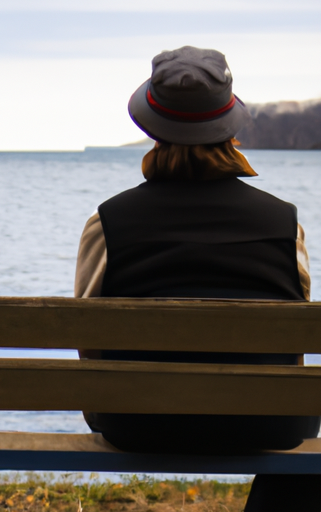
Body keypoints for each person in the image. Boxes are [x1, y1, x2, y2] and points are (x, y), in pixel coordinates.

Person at [74, 46, 321, 511]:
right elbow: (295, 332)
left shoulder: (108, 221)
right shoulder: (284, 222)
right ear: (230, 126)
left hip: (136, 422)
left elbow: (89, 336)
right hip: (270, 422)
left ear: (150, 126)